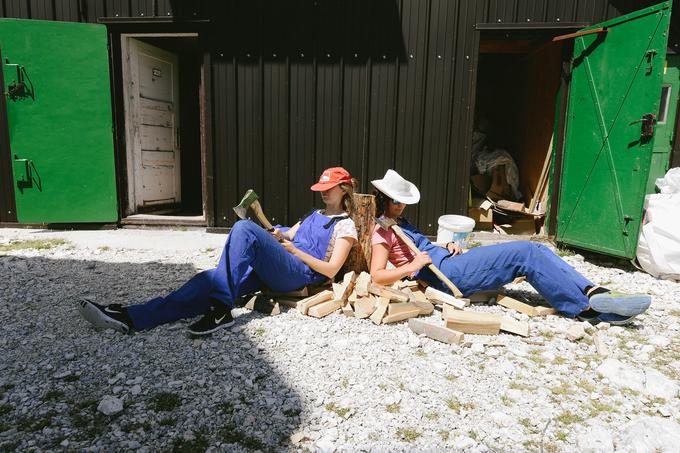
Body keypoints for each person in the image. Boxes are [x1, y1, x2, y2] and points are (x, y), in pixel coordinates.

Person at [78, 167, 358, 336]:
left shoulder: (346, 226)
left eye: (330, 188)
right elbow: (288, 235)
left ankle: (222, 308)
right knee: (206, 281)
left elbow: (331, 269)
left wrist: (294, 252)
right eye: (322, 187)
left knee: (243, 229)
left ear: (344, 189)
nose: (324, 192)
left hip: (300, 274)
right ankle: (132, 317)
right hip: (281, 264)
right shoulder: (315, 213)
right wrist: (277, 234)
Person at [369, 169, 651, 325]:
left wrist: (445, 244)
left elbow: (417, 246)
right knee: (526, 253)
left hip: (449, 260)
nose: (401, 204)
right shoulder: (382, 230)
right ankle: (588, 309)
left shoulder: (398, 220)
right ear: (383, 200)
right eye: (396, 200)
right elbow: (377, 275)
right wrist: (413, 267)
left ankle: (592, 293)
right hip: (449, 274)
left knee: (537, 251)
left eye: (403, 200)